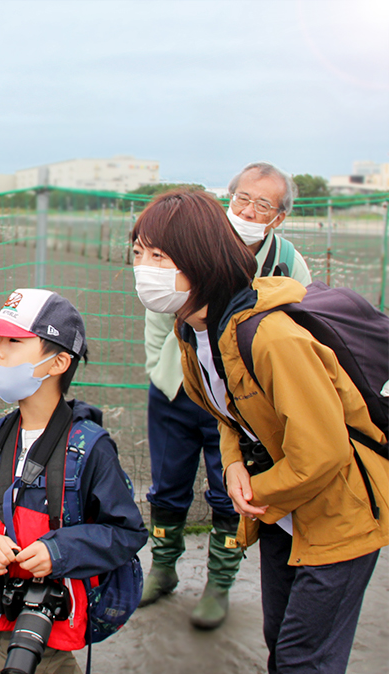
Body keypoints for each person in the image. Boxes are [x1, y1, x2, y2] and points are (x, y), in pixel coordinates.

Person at [131, 189, 387, 674]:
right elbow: (228, 415)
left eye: (160, 255)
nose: (144, 267)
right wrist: (232, 466)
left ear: (201, 259)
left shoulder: (269, 338)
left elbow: (323, 454)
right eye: (139, 252)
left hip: (340, 514)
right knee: (281, 647)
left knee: (301, 664)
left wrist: (253, 491)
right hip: (284, 512)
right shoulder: (194, 331)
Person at [0, 289, 147, 674]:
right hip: (0, 611)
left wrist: (58, 551)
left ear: (59, 362)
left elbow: (127, 532)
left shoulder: (90, 450)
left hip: (52, 623)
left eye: (14, 342)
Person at [139, 162, 312, 629]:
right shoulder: (202, 241)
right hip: (179, 388)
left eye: (263, 204)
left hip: (241, 402)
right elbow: (160, 310)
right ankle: (163, 569)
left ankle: (219, 582)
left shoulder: (287, 260)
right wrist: (161, 366)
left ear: (278, 216)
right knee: (168, 484)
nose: (248, 210)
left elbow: (303, 318)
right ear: (228, 197)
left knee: (229, 488)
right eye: (242, 198)